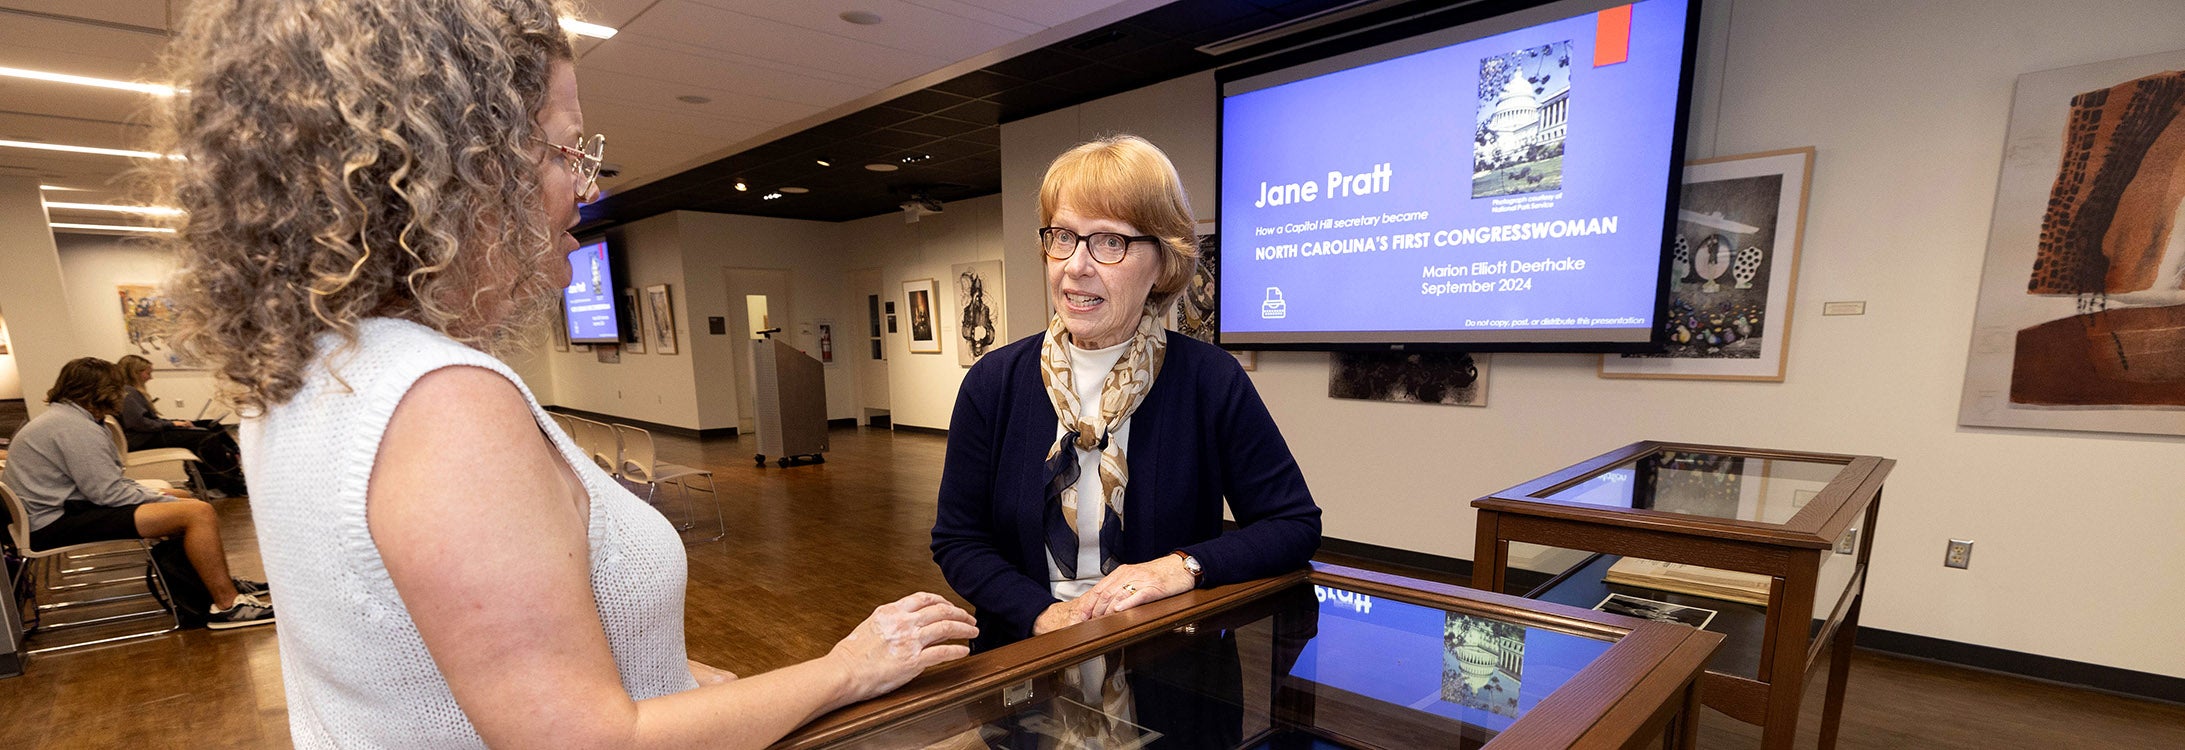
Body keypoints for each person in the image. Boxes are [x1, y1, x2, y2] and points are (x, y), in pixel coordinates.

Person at [152, 1, 973, 746]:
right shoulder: (438, 399)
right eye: (564, 152)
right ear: (453, 168)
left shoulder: (304, 369)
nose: (582, 189)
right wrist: (850, 667)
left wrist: (668, 682)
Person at [931, 135, 1322, 652]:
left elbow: (1292, 524)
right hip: (1025, 662)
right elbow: (959, 540)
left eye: (1109, 242)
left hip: (1171, 664)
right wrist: (1044, 616)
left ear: (1164, 262)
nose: (1075, 265)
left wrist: (1184, 567)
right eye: (1063, 237)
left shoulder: (1210, 380)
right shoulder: (993, 383)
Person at [1, 358, 273, 629]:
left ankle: (212, 584)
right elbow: (107, 494)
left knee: (185, 500)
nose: (123, 394)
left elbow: (104, 485)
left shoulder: (65, 419)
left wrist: (164, 496)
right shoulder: (75, 428)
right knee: (197, 512)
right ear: (104, 391)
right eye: (119, 388)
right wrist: (162, 499)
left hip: (55, 514)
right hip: (53, 523)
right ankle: (227, 605)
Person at [114, 354, 247, 496]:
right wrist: (171, 424)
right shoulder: (130, 393)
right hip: (143, 438)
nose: (150, 377)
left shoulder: (129, 392)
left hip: (144, 435)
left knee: (208, 425)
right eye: (148, 373)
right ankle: (231, 483)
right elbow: (141, 424)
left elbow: (144, 421)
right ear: (136, 373)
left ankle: (229, 462)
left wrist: (174, 423)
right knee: (205, 438)